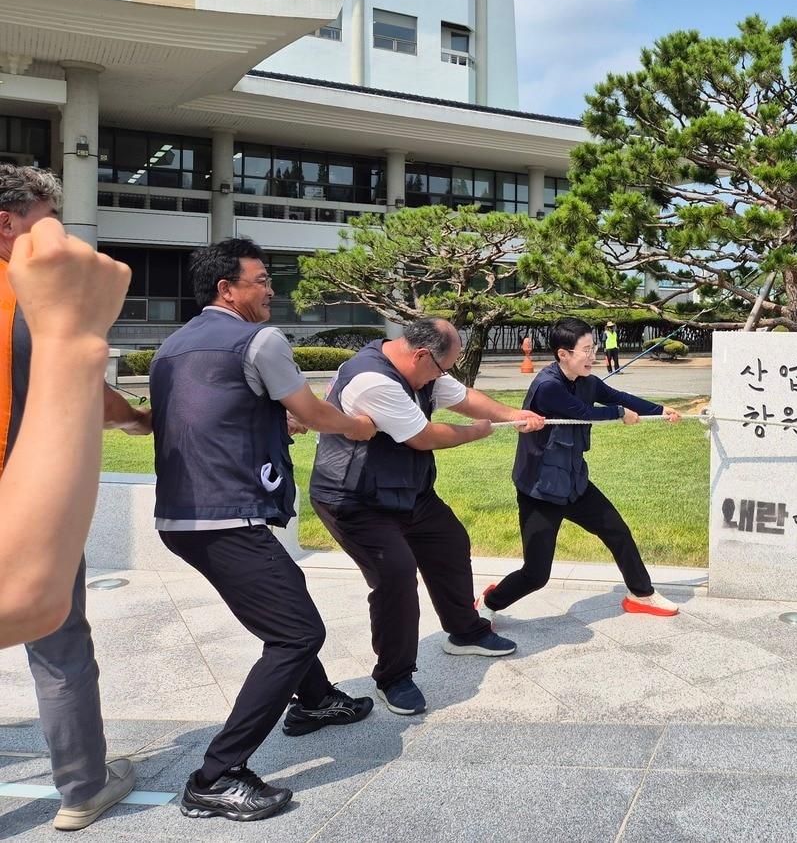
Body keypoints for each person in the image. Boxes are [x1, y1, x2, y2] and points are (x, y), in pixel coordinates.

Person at [150, 237, 379, 822]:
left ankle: (319, 700)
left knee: (287, 596)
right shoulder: (260, 339)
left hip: (182, 515)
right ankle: (216, 775)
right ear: (228, 289)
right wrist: (357, 427)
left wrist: (269, 423)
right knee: (296, 633)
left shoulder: (171, 347)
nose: (271, 289)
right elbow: (313, 410)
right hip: (227, 513)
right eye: (260, 280)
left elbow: (212, 412)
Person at [0, 168, 149, 831]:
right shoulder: (29, 304)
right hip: (31, 507)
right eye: (48, 219)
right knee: (58, 644)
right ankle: (83, 786)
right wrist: (141, 420)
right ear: (11, 222)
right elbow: (85, 397)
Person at [308, 318, 545, 717]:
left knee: (449, 542)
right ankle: (393, 676)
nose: (443, 375)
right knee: (396, 577)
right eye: (441, 367)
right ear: (421, 354)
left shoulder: (424, 372)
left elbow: (464, 397)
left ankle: (465, 631)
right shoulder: (373, 380)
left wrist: (512, 414)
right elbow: (423, 435)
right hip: (354, 499)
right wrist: (481, 431)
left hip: (407, 491)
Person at [478, 316, 682, 625]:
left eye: (595, 347)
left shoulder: (586, 382)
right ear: (564, 354)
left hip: (575, 484)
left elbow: (618, 397)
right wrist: (618, 415)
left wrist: (659, 410)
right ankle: (488, 601)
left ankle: (641, 594)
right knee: (536, 574)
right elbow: (584, 413)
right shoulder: (547, 386)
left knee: (618, 532)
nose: (594, 355)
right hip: (540, 490)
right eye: (586, 350)